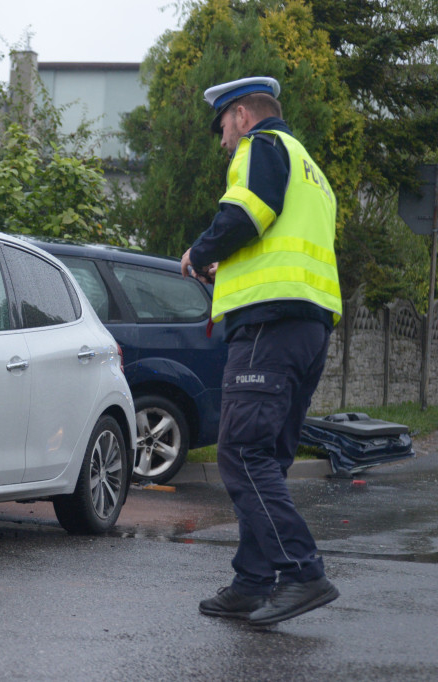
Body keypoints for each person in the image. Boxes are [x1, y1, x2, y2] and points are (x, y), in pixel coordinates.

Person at [180, 76, 342, 626]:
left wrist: (200, 250)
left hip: (270, 328)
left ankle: (302, 572)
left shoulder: (263, 146)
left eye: (222, 126)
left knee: (243, 455)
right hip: (306, 328)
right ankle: (253, 582)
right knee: (266, 458)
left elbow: (247, 215)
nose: (223, 140)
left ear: (244, 116)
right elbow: (277, 241)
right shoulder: (311, 171)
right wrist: (230, 265)